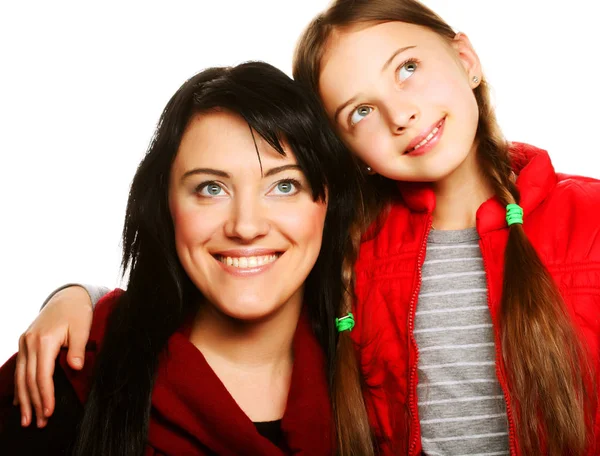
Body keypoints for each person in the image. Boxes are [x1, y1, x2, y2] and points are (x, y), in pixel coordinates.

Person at [11, 0, 600, 454]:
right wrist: (77, 299)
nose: (402, 114)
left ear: (466, 59)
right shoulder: (356, 253)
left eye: (409, 68)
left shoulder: (585, 218)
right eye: (360, 112)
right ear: (345, 151)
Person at [0, 61, 375, 455]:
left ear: (329, 202)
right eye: (211, 188)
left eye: (284, 185)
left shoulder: (380, 377)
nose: (246, 227)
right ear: (166, 205)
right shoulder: (68, 372)